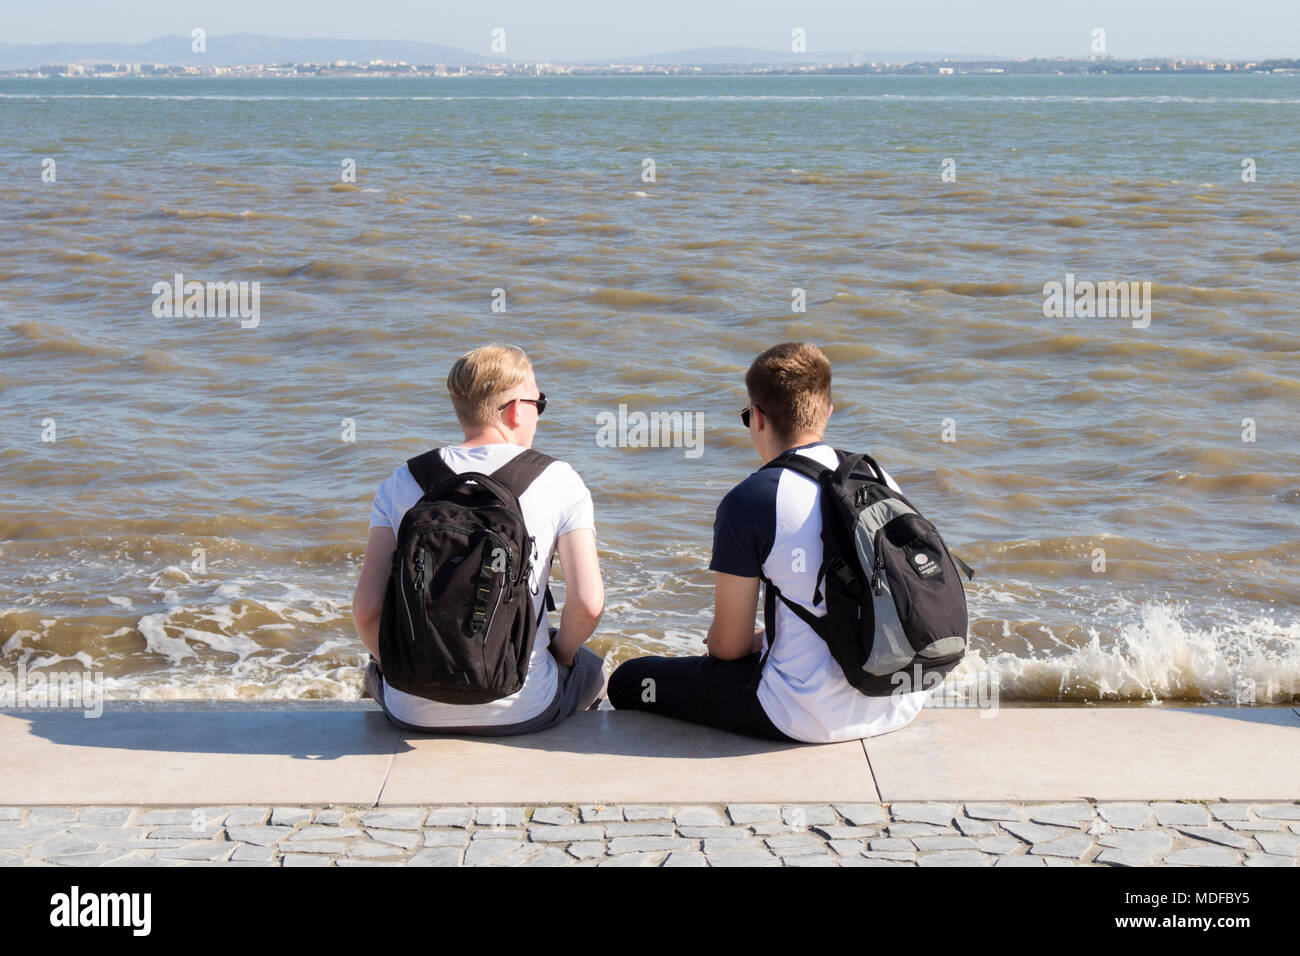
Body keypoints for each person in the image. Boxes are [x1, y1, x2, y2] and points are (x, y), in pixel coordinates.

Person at [608, 342, 930, 743]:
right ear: (828, 411)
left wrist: (744, 641)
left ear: (757, 417)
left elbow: (727, 649)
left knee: (629, 679)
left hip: (803, 714)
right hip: (898, 699)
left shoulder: (752, 499)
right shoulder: (875, 474)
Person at [351, 344, 608, 734]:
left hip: (410, 713)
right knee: (593, 669)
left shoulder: (402, 481)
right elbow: (588, 605)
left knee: (377, 668)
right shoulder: (559, 481)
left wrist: (389, 666)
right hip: (522, 708)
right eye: (540, 402)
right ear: (515, 409)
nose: (538, 413)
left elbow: (367, 611)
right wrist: (561, 656)